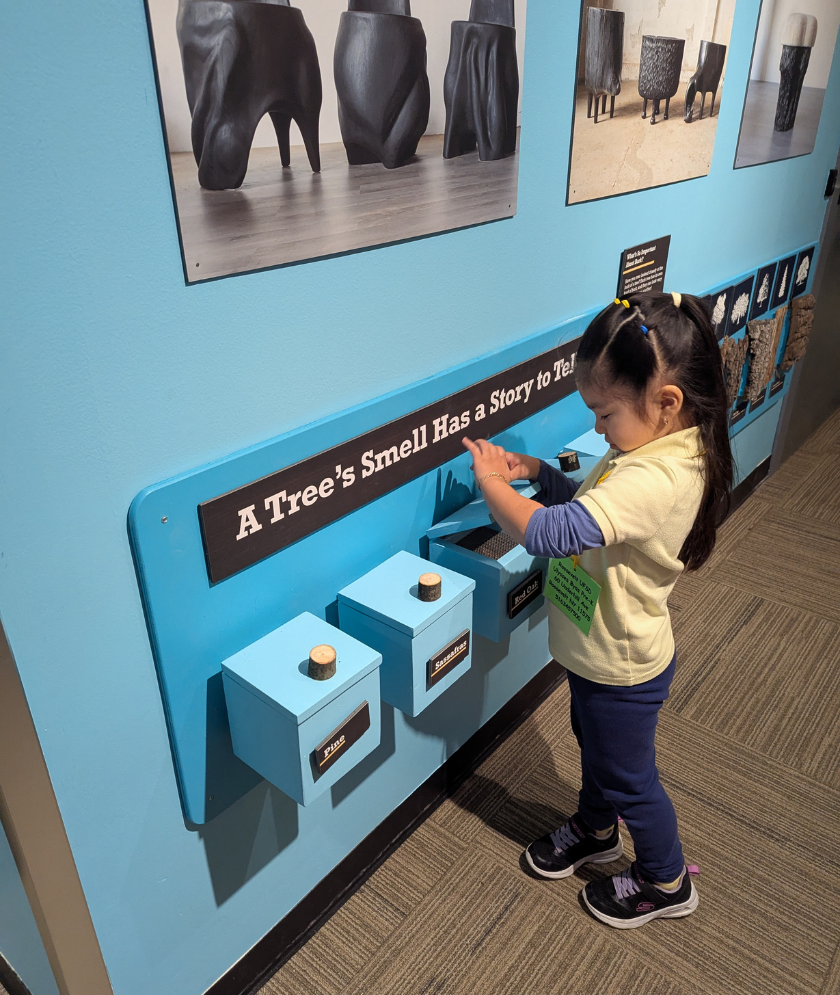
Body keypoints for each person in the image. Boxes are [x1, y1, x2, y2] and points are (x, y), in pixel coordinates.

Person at [462, 291, 732, 929]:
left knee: (631, 775)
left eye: (603, 414)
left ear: (665, 402)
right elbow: (590, 504)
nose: (598, 430)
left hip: (625, 665)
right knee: (597, 747)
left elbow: (555, 535)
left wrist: (495, 484)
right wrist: (533, 471)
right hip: (599, 652)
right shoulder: (649, 448)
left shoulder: (659, 478)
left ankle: (666, 881)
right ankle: (595, 826)